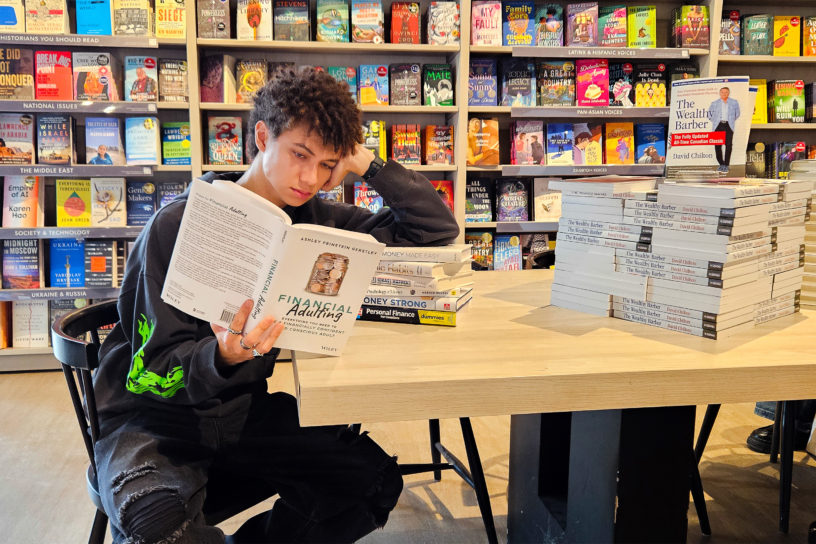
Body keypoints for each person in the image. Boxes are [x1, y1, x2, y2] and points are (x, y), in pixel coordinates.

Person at [91, 69, 459, 543]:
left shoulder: (316, 221)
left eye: (329, 164)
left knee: (372, 484)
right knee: (156, 524)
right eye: (300, 155)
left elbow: (431, 230)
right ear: (262, 136)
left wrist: (367, 163)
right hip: (154, 423)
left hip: (241, 417)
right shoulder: (178, 223)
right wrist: (220, 356)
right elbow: (150, 372)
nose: (312, 178)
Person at [707, 86, 740, 173]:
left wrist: (731, 121)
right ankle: (721, 164)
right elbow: (709, 114)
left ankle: (726, 164)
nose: (724, 94)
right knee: (717, 145)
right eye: (722, 92)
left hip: (729, 125)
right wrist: (714, 121)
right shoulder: (714, 103)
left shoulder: (734, 102)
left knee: (728, 145)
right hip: (718, 125)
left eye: (726, 92)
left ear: (728, 93)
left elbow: (737, 114)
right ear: (720, 93)